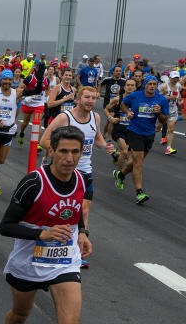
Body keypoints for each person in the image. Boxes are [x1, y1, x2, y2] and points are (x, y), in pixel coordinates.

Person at [0, 126, 91, 324]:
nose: (69, 158)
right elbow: (6, 226)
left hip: (64, 262)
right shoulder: (33, 182)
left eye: (75, 152)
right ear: (51, 151)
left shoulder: (81, 179)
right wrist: (42, 234)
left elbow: (76, 213)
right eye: (63, 151)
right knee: (21, 315)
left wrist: (84, 233)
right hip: (29, 262)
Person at [40, 87, 113, 267]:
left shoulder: (95, 117)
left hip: (85, 171)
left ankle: (78, 252)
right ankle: (53, 244)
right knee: (62, 211)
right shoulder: (65, 118)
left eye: (93, 98)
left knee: (84, 210)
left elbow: (97, 138)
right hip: (64, 172)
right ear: (78, 99)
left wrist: (105, 147)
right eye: (86, 97)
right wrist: (65, 152)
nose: (90, 101)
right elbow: (44, 141)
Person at [115, 75, 169, 204]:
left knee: (135, 162)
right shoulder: (135, 96)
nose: (152, 86)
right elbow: (123, 104)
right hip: (134, 132)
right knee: (138, 162)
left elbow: (164, 120)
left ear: (157, 86)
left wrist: (158, 113)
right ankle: (139, 192)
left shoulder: (161, 100)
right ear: (145, 84)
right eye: (149, 84)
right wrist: (127, 112)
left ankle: (121, 175)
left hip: (149, 134)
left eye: (154, 84)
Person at [0, 71, 21, 196]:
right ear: (1, 80)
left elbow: (34, 89)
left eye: (9, 80)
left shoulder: (15, 92)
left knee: (1, 160)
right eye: (5, 79)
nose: (7, 82)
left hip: (8, 131)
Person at [158, 71, 180, 154]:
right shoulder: (164, 86)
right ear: (170, 77)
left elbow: (178, 96)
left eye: (177, 78)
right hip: (163, 110)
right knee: (157, 129)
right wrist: (169, 97)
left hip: (173, 110)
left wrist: (179, 100)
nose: (175, 79)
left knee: (171, 129)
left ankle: (168, 148)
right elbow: (158, 97)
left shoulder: (178, 86)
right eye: (174, 78)